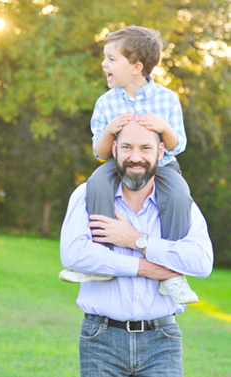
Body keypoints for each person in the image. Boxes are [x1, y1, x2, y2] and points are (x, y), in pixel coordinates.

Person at [60, 120, 213, 377]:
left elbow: (202, 261)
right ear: (115, 149)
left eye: (145, 148)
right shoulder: (87, 195)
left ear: (161, 151)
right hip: (100, 339)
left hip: (162, 340)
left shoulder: (180, 202)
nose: (136, 157)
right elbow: (73, 254)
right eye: (127, 147)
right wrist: (145, 268)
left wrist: (137, 240)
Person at [59, 25, 198, 304]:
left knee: (179, 194)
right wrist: (110, 130)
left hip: (162, 165)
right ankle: (100, 258)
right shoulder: (106, 102)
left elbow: (178, 145)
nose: (104, 64)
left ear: (136, 67)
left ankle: (172, 271)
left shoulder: (166, 99)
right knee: (96, 183)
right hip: (117, 164)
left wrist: (162, 128)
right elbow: (100, 152)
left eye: (111, 59)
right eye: (105, 57)